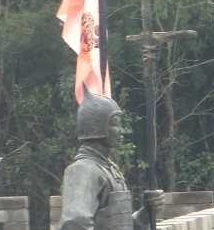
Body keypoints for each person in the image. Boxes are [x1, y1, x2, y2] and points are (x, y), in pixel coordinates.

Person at [59, 91, 164, 230]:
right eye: (115, 123)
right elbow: (73, 223)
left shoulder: (108, 169)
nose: (122, 130)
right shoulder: (82, 169)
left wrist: (145, 214)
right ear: (98, 126)